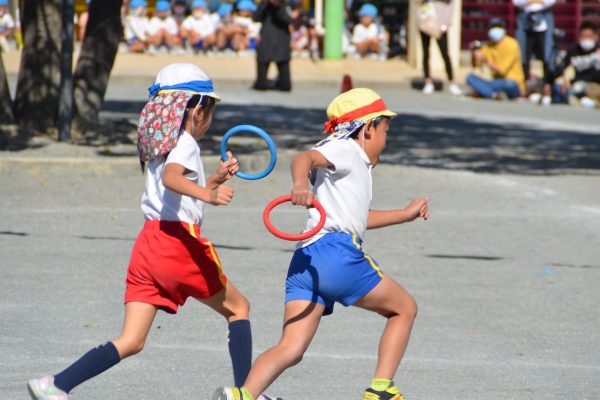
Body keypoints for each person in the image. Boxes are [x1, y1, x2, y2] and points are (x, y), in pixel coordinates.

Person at [26, 63, 255, 400]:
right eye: (211, 109)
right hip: (177, 244)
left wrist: (214, 180)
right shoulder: (186, 142)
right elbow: (172, 179)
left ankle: (55, 385)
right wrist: (208, 194)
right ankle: (249, 393)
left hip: (148, 244)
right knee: (239, 308)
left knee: (131, 340)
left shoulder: (161, 143)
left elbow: (172, 191)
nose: (211, 117)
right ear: (197, 109)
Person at [214, 88, 430, 400]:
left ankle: (242, 396)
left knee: (291, 347)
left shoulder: (345, 157)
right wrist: (300, 185)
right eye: (386, 130)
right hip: (335, 253)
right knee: (404, 308)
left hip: (306, 259)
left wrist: (404, 215)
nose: (387, 138)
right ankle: (381, 388)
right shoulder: (346, 148)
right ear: (368, 128)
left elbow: (355, 217)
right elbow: (304, 158)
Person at [466, 18, 526, 100]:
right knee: (470, 77)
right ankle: (493, 95)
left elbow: (502, 70)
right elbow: (476, 65)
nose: (495, 30)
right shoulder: (488, 45)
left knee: (508, 84)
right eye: (493, 27)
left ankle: (484, 91)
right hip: (496, 82)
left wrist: (485, 60)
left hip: (512, 82)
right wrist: (473, 53)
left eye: (498, 27)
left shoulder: (512, 44)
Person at [513, 0, 555, 105]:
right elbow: (517, 2)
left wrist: (531, 1)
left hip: (543, 22)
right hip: (525, 21)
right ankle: (527, 87)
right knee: (524, 57)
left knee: (546, 56)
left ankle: (547, 87)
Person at [416, 0, 461, 95]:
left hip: (441, 25)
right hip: (425, 24)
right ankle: (428, 81)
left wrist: (445, 24)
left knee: (445, 54)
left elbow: (450, 5)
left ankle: (451, 82)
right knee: (426, 54)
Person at [552, 22, 600, 108]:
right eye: (583, 36)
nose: (586, 39)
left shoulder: (598, 53)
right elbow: (564, 69)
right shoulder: (573, 52)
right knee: (558, 86)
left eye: (589, 36)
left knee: (582, 87)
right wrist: (566, 81)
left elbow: (596, 75)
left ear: (596, 36)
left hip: (592, 85)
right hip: (572, 84)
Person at [252, 0, 293, 91]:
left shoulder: (285, 5)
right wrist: (265, 4)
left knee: (285, 86)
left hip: (282, 43)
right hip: (266, 42)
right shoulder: (265, 5)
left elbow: (290, 20)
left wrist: (277, 7)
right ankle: (263, 82)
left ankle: (277, 82)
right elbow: (255, 18)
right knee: (261, 85)